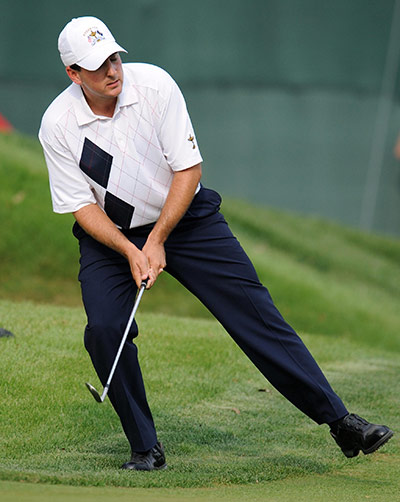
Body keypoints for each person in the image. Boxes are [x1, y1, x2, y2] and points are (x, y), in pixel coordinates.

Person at [39, 16, 393, 471]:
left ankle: (341, 422)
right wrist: (131, 250)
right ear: (73, 73)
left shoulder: (155, 87)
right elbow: (81, 208)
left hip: (185, 220)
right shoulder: (58, 124)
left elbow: (188, 172)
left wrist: (159, 239)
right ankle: (145, 448)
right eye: (97, 65)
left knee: (255, 315)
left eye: (113, 56)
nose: (112, 70)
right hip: (112, 236)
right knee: (106, 330)